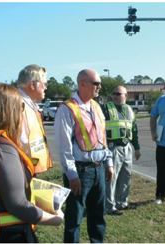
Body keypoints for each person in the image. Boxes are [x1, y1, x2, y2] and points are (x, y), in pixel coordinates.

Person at [0, 83, 63, 243]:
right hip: (10, 235)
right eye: (21, 107)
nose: (23, 113)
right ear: (11, 110)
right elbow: (18, 205)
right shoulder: (2, 147)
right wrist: (54, 219)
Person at [54, 69, 114, 243]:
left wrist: (108, 162)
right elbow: (64, 147)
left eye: (99, 83)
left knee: (97, 216)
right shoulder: (67, 109)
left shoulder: (95, 106)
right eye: (96, 83)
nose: (99, 87)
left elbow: (102, 137)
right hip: (80, 172)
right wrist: (72, 175)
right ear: (82, 84)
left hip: (99, 169)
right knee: (75, 218)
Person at [101, 86, 141, 216]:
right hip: (113, 147)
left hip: (127, 147)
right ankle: (109, 206)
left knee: (126, 176)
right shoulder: (106, 108)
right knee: (111, 178)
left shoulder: (129, 109)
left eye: (118, 94)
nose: (115, 96)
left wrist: (137, 147)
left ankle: (122, 202)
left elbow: (133, 129)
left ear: (126, 95)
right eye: (114, 94)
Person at [17, 64, 53, 173]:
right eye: (44, 84)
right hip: (22, 169)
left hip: (30, 168)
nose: (46, 88)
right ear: (33, 84)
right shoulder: (17, 105)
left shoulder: (31, 105)